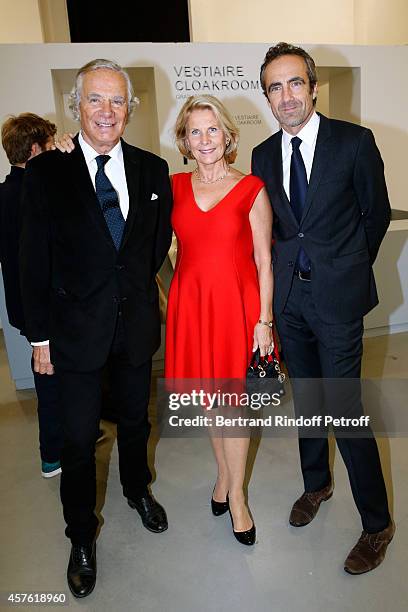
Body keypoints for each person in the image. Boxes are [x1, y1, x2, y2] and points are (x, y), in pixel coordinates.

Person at [19, 59, 173, 598]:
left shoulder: (153, 171)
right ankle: (81, 536)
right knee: (80, 440)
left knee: (135, 422)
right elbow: (30, 263)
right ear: (76, 107)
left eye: (116, 101)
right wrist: (39, 336)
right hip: (72, 334)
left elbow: (150, 251)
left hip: (133, 328)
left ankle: (138, 490)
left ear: (129, 108)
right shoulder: (44, 173)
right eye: (95, 100)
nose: (106, 112)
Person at [252, 42, 394, 573]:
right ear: (266, 96)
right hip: (289, 301)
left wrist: (347, 267)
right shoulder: (264, 154)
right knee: (308, 400)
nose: (286, 96)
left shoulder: (354, 143)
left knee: (345, 409)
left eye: (294, 83)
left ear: (313, 86)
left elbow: (374, 214)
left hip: (337, 300)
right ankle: (316, 485)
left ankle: (377, 523)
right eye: (274, 87)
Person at [165, 94, 273, 545]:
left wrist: (264, 321)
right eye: (195, 131)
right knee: (211, 401)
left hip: (237, 308)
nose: (205, 139)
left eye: (213, 129)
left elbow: (266, 260)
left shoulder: (251, 187)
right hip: (192, 306)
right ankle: (224, 478)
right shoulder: (173, 186)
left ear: (228, 135)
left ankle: (238, 498)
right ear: (184, 141)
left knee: (234, 406)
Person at [0, 113, 63, 478]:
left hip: (22, 307)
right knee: (52, 379)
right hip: (49, 306)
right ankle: (52, 454)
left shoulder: (3, 194)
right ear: (37, 148)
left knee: (48, 378)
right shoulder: (39, 193)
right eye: (51, 145)